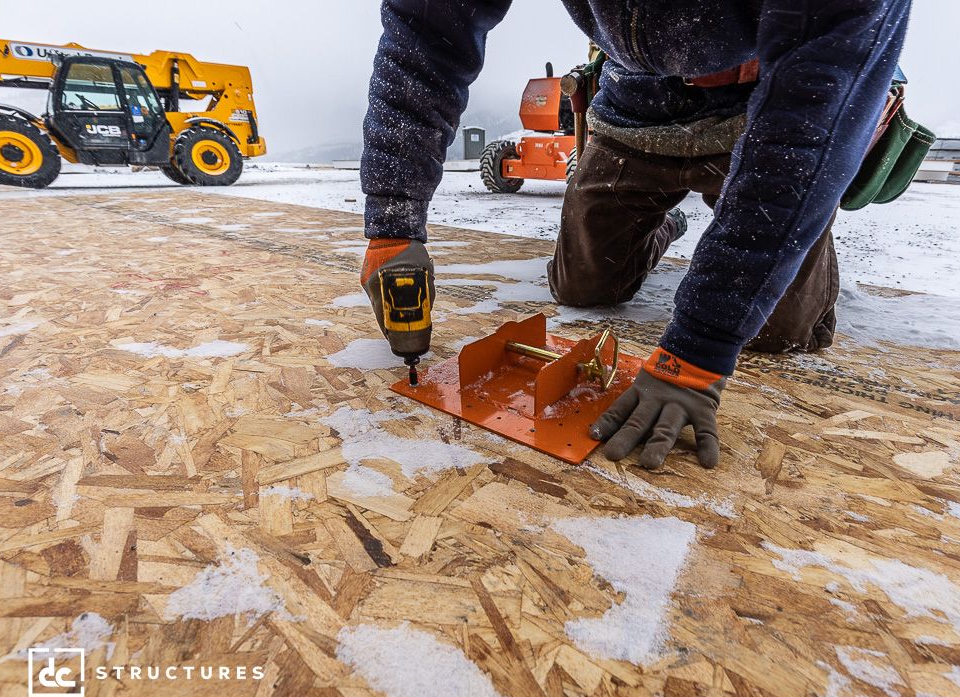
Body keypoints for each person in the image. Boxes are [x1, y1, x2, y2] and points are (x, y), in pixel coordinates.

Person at [360, 0, 912, 469]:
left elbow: (813, 119)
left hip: (763, 113)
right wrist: (392, 222)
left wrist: (700, 349)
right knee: (583, 288)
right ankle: (670, 227)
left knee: (776, 332)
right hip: (635, 109)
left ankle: (773, 249)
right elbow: (426, 33)